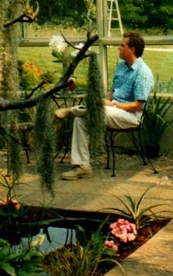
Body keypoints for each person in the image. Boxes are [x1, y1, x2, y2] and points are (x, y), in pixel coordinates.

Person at [57, 31, 154, 180]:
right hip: (112, 109)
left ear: (132, 49)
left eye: (122, 45)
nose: (118, 48)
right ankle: (82, 167)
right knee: (80, 121)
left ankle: (72, 110)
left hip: (131, 116)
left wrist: (111, 104)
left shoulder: (143, 73)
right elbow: (113, 91)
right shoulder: (122, 66)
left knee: (101, 111)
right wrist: (104, 101)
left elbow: (137, 106)